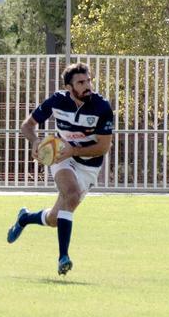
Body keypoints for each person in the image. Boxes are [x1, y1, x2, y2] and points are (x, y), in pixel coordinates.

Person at [7, 63, 114, 275]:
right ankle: (63, 257)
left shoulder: (102, 107)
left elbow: (104, 146)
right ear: (69, 87)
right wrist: (36, 142)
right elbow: (27, 126)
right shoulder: (57, 100)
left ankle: (25, 218)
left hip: (89, 165)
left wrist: (75, 150)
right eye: (81, 82)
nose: (87, 86)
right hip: (61, 156)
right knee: (71, 194)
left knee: (56, 218)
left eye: (89, 81)